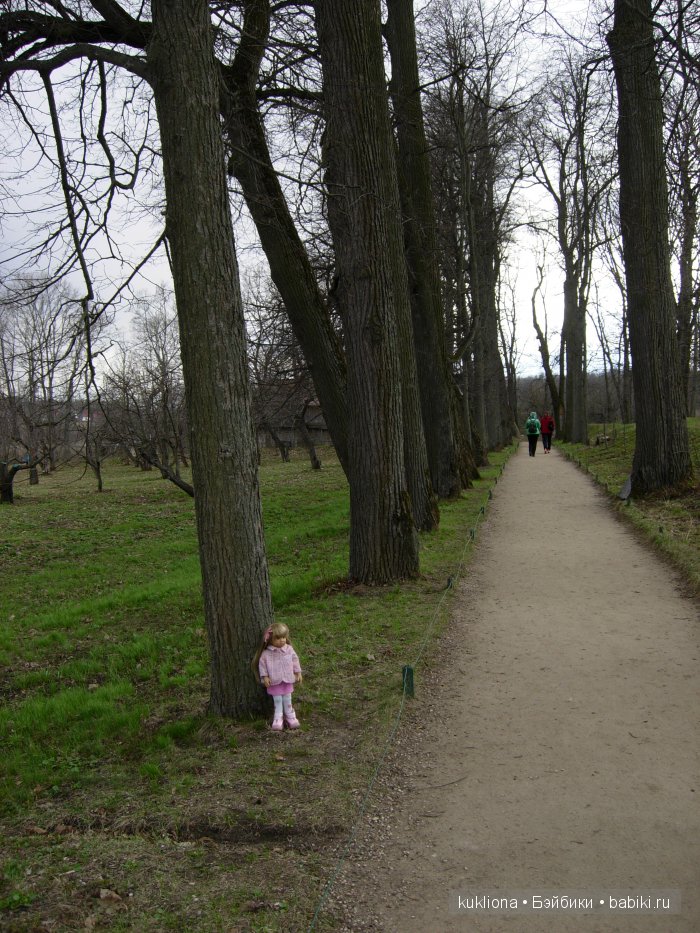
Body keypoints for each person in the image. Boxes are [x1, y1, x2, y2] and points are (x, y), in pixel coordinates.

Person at [253, 622, 303, 731]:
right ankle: (278, 717)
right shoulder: (266, 653)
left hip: (287, 679)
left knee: (287, 698)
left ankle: (290, 716)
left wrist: (298, 672)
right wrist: (265, 676)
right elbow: (262, 665)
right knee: (278, 700)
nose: (282, 640)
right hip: (274, 681)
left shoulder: (289, 649)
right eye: (278, 638)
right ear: (270, 639)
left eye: (284, 637)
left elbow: (295, 660)